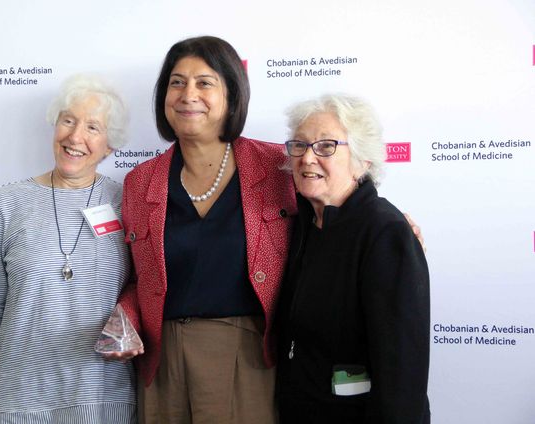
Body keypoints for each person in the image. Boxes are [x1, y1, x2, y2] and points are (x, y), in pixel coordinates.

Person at [108, 36, 296, 423]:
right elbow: (132, 277)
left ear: (232, 94)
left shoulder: (279, 166)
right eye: (176, 82)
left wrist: (386, 225)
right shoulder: (140, 182)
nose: (187, 94)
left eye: (204, 82)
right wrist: (124, 314)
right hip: (161, 362)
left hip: (247, 355)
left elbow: (334, 213)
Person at [0, 75, 137, 423]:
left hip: (103, 400)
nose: (75, 137)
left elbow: (144, 291)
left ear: (110, 146)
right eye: (68, 120)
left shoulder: (128, 201)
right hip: (19, 402)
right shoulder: (6, 203)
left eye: (92, 127)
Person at [275, 94, 430, 423]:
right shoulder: (304, 224)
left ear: (362, 161)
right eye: (299, 145)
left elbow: (401, 372)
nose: (307, 158)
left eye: (326, 146)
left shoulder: (385, 231)